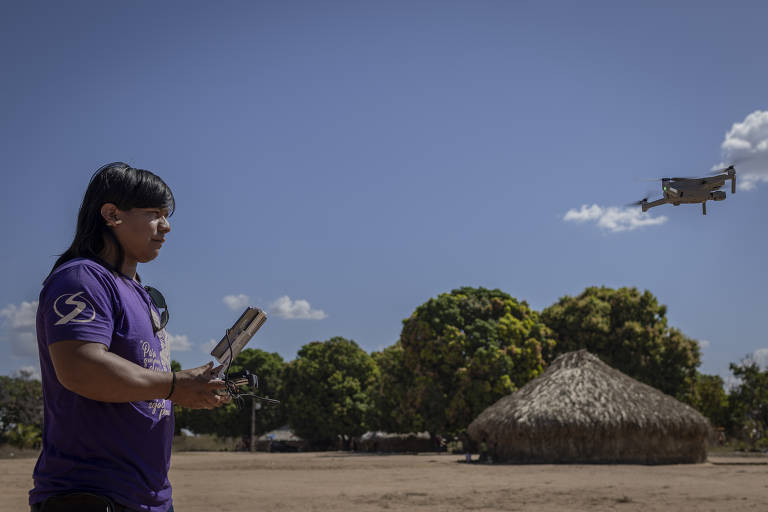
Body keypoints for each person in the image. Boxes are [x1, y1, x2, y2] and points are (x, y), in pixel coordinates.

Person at [30, 162, 228, 512]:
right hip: (90, 495)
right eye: (153, 213)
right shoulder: (81, 278)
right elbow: (80, 368)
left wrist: (190, 388)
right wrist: (173, 385)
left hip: (148, 498)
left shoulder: (140, 292)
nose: (165, 226)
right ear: (111, 214)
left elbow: (147, 387)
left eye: (166, 215)